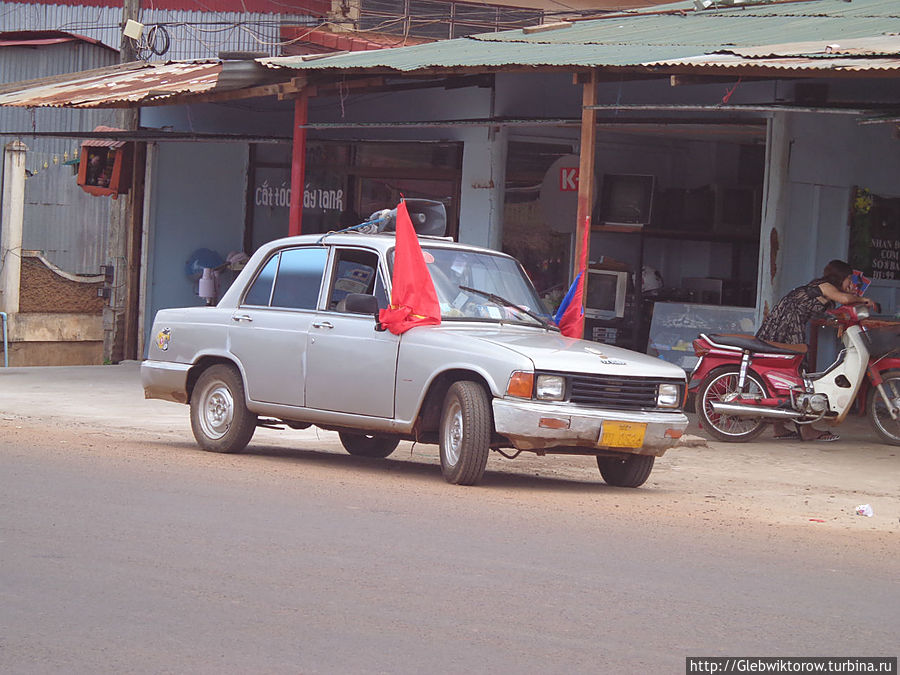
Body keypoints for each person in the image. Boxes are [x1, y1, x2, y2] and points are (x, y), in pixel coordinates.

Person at [756, 259, 877, 442]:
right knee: (797, 373)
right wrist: (862, 299)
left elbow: (837, 305)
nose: (850, 283)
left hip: (785, 323)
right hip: (786, 325)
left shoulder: (826, 290)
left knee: (785, 372)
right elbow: (844, 299)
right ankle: (806, 429)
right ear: (840, 277)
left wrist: (850, 298)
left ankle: (779, 426)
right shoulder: (826, 286)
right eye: (848, 279)